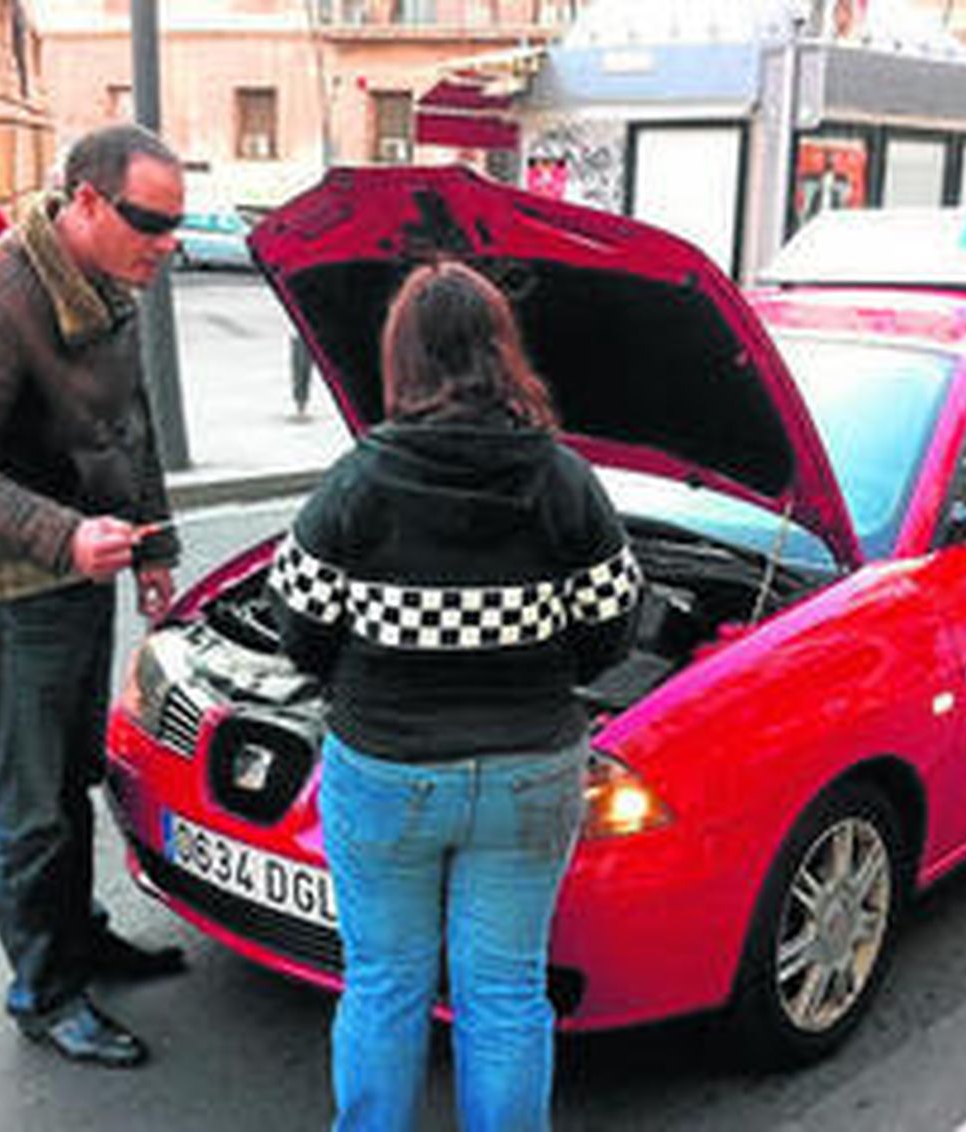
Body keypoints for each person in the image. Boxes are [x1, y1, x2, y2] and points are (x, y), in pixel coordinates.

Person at [268, 261, 641, 1130]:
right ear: (500, 352)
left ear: (403, 361)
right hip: (530, 770)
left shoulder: (358, 481)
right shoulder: (563, 478)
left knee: (384, 984)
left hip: (388, 768)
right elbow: (612, 630)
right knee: (506, 990)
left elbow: (301, 631)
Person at [0, 123, 190, 1070]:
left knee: (71, 776)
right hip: (12, 586)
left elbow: (129, 427)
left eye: (176, 224)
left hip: (82, 568)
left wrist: (155, 543)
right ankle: (45, 991)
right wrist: (62, 534)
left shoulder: (113, 282)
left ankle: (83, 936)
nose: (168, 242)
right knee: (30, 803)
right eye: (152, 221)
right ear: (88, 202)